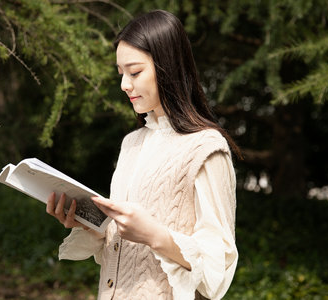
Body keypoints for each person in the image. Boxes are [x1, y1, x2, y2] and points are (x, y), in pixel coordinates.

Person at [46, 9, 240, 300]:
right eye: (121, 73)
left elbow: (218, 263)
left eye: (134, 72)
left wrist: (154, 235)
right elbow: (122, 240)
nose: (125, 84)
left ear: (167, 67)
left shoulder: (207, 148)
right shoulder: (132, 143)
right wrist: (88, 222)